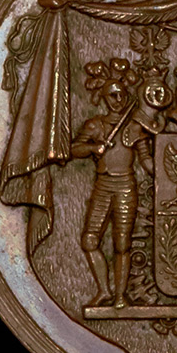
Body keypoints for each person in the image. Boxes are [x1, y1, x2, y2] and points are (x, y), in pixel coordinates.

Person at [72, 64, 154, 308]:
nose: (118, 100)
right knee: (89, 240)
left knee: (122, 244)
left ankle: (120, 296)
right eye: (112, 95)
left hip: (125, 186)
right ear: (104, 98)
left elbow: (146, 159)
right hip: (103, 185)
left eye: (121, 95)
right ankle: (104, 291)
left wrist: (165, 172)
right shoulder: (94, 125)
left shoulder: (135, 127)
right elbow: (74, 149)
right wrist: (92, 148)